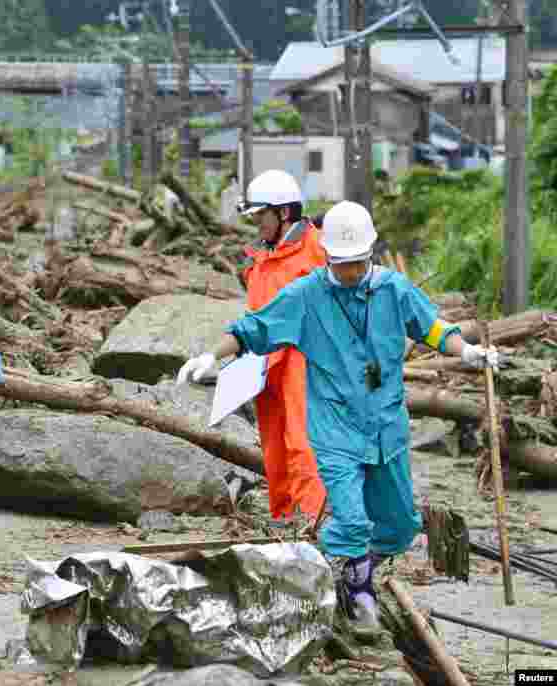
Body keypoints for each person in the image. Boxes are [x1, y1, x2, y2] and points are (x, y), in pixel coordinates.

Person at [176, 200, 499, 631]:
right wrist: (210, 356)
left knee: (401, 526)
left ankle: (352, 568)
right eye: (343, 264)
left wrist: (470, 353)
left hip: (387, 427)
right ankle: (353, 588)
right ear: (328, 255)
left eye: (359, 263)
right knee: (351, 520)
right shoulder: (306, 296)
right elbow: (253, 328)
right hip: (336, 429)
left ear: (371, 255)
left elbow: (433, 328)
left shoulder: (393, 289)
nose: (351, 272)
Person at [228, 170, 328, 528]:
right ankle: (284, 523)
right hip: (267, 367)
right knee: (275, 449)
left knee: (305, 446)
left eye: (260, 216)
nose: (257, 225)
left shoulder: (319, 250)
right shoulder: (263, 258)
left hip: (307, 363)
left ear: (283, 213)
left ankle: (316, 528)